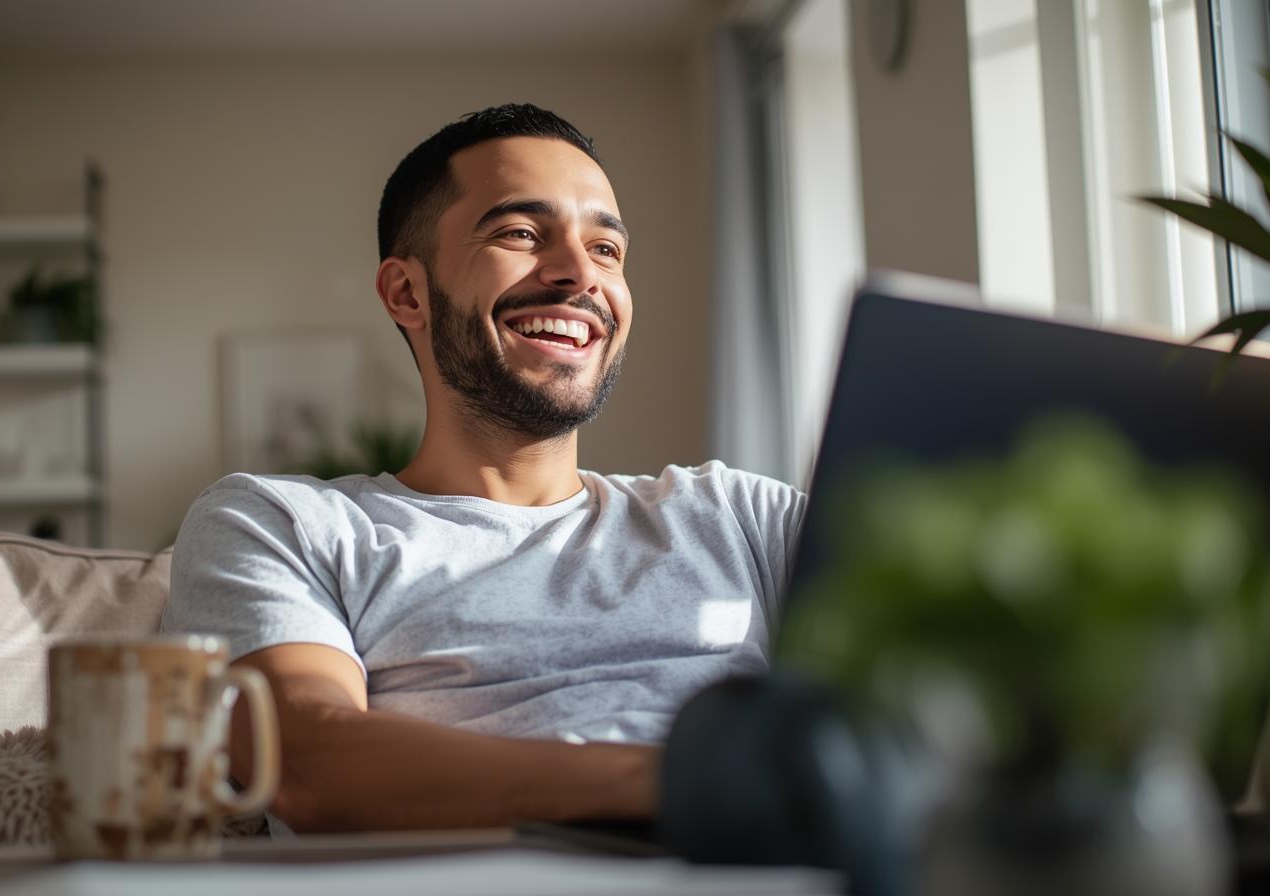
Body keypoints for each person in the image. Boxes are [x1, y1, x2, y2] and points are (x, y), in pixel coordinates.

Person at [161, 104, 806, 833]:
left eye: (606, 249)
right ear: (407, 293)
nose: (578, 275)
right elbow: (308, 761)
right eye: (522, 234)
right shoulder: (281, 524)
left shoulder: (743, 518)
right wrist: (685, 781)